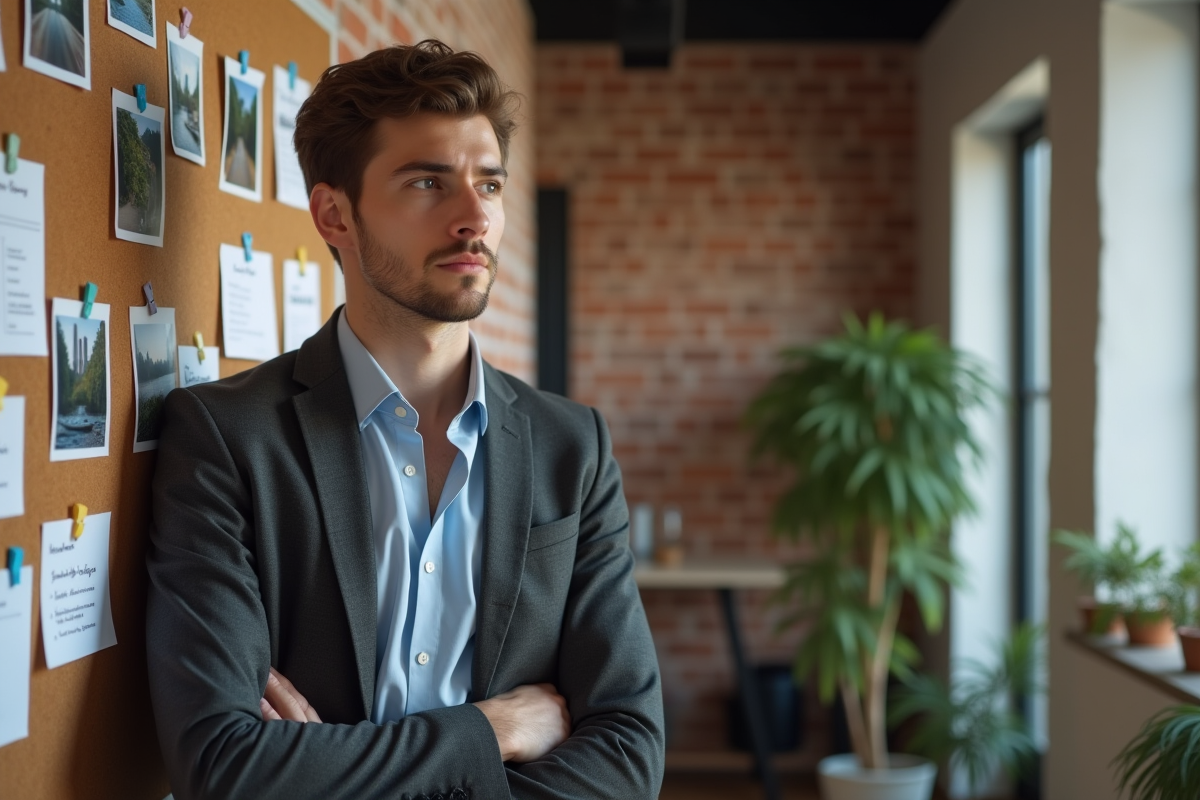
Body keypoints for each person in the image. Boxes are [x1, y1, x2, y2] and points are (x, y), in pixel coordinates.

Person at [146, 40, 664, 800]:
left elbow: (628, 752)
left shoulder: (571, 448)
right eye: (427, 182)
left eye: (489, 184)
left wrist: (329, 767)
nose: (474, 217)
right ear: (335, 215)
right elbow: (224, 766)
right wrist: (490, 730)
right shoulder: (228, 438)